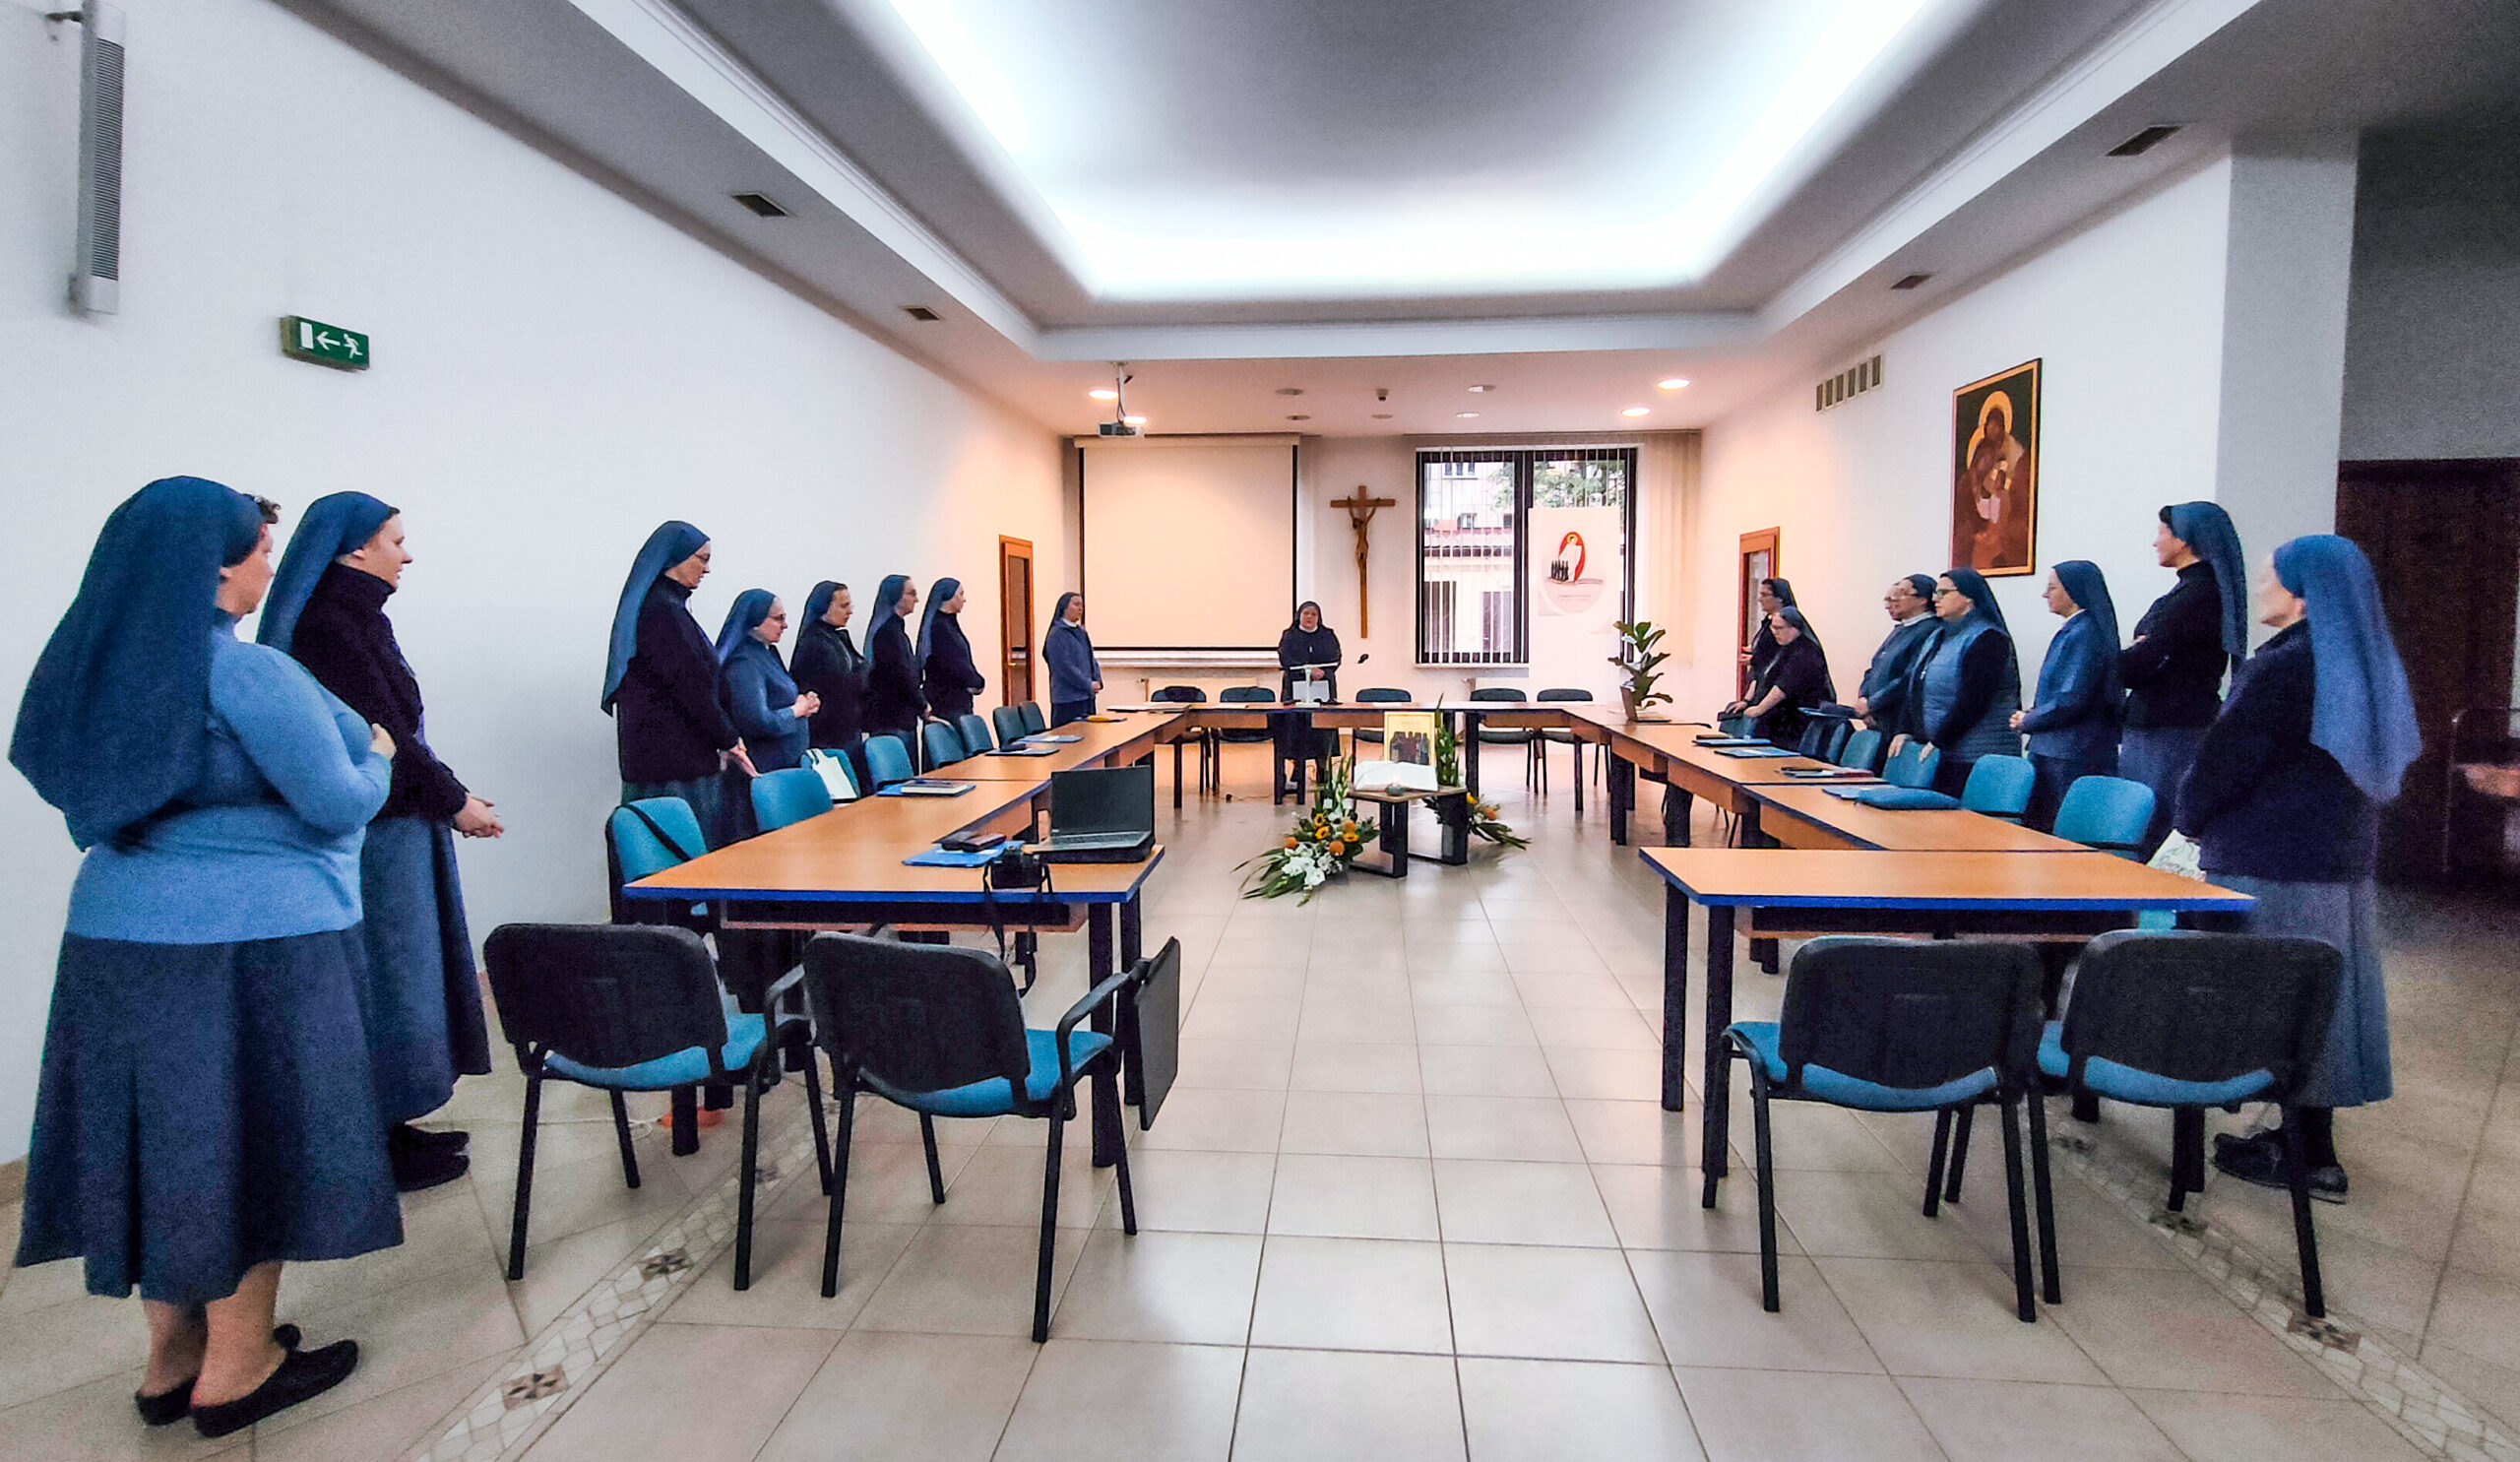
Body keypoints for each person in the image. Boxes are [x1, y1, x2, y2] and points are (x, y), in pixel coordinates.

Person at [11, 478, 393, 1436]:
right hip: (252, 942)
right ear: (217, 568)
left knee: (165, 1145)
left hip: (111, 940)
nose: (269, 566)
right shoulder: (244, 671)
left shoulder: (92, 670)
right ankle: (240, 1365)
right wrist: (380, 756)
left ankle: (172, 1358)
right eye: (258, 549)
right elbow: (337, 801)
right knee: (251, 1138)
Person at [259, 493, 494, 1193]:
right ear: (356, 548)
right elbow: (381, 735)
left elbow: (398, 734)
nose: (407, 554)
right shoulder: (328, 627)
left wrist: (447, 794)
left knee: (405, 977)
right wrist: (455, 801)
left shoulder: (357, 618)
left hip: (397, 820)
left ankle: (392, 1123)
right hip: (375, 832)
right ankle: (374, 1142)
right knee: (385, 980)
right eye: (396, 540)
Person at [2186, 536, 2419, 1203]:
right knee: (2325, 1002)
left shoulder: (2287, 665)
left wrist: (2189, 815)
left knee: (2274, 1003)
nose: (2261, 587)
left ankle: (2310, 1157)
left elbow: (2225, 762)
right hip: (2339, 859)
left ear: (2303, 595)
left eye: (2271, 577)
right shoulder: (2360, 658)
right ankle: (2308, 1142)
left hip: (2272, 858)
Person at [604, 522, 752, 848]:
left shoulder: (667, 608)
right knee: (684, 860)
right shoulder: (662, 613)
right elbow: (691, 687)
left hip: (674, 761)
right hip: (673, 769)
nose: (707, 569)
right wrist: (728, 738)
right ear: (675, 558)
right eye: (702, 559)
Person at [2121, 501, 2245, 852]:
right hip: (2163, 723)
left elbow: (2141, 662)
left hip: (2170, 726)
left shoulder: (2197, 595)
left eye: (2161, 532)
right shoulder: (2186, 592)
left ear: (2184, 539)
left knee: (2151, 831)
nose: (2155, 542)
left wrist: (2130, 654)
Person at [2011, 560, 2124, 830]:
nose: (2045, 594)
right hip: (2056, 748)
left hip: (2070, 752)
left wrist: (2029, 720)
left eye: (2052, 588)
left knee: (2058, 832)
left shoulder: (2085, 634)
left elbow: (2072, 697)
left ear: (2073, 591)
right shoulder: (2077, 630)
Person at [1913, 568, 2023, 795]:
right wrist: (1911, 731)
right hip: (1947, 749)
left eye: (1943, 593)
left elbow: (1974, 700)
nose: (1935, 599)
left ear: (1969, 597)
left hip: (1978, 754)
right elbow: (1917, 686)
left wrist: (1940, 739)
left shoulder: (1989, 638)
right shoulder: (1938, 636)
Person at [717, 589, 817, 776]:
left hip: (786, 763)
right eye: (778, 618)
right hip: (765, 768)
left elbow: (780, 697)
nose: (785, 625)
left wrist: (805, 702)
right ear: (755, 620)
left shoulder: (768, 652)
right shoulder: (744, 663)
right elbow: (757, 722)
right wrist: (796, 710)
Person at [789, 579, 867, 789]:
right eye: (843, 606)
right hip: (829, 736)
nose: (850, 611)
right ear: (824, 607)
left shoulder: (837, 638)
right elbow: (840, 684)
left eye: (850, 605)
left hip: (848, 730)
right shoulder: (813, 642)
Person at [1722, 607, 1835, 746]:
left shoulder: (1806, 652)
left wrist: (1759, 709)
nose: (1774, 632)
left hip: (1797, 724)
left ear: (1794, 628)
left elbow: (1782, 688)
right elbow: (1761, 675)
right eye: (1772, 627)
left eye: (1778, 628)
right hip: (1777, 720)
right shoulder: (1781, 647)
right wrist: (1747, 700)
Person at [1854, 573, 1940, 736]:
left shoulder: (1930, 630)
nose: (1891, 603)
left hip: (1899, 720)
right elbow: (1874, 668)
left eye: (1900, 594)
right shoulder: (1900, 629)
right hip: (1877, 716)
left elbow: (1909, 678)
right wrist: (1864, 699)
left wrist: (1872, 704)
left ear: (1922, 600)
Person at [1276, 602, 1343, 794]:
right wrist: (1307, 669)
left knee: (1322, 727)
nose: (1309, 618)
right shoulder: (1290, 635)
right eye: (1306, 613)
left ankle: (1323, 769)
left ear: (1318, 617)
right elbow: (1285, 658)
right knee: (1295, 726)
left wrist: (1321, 671)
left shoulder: (1327, 635)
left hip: (1322, 687)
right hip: (1295, 687)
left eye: (1313, 614)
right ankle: (1297, 768)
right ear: (1299, 615)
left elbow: (1336, 658)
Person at [862, 574, 924, 743]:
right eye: (911, 593)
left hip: (900, 718)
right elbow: (901, 673)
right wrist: (922, 705)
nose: (917, 600)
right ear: (896, 597)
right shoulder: (887, 633)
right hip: (892, 720)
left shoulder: (894, 629)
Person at [916, 576, 986, 724]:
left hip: (955, 701)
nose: (964, 599)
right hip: (948, 704)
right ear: (948, 597)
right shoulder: (940, 628)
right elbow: (955, 663)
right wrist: (977, 682)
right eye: (960, 594)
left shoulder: (947, 624)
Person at [1044, 591, 1102, 726]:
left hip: (1086, 697)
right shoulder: (1057, 634)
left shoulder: (1081, 632)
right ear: (1064, 608)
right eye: (1076, 604)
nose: (1080, 608)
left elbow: (1091, 659)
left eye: (1082, 605)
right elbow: (1064, 667)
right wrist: (1087, 684)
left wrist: (1097, 679)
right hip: (1067, 700)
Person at [1738, 578, 1796, 689]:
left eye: (1765, 595)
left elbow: (1781, 657)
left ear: (1779, 598)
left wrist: (1755, 660)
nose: (1760, 599)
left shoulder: (1788, 625)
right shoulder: (1767, 623)